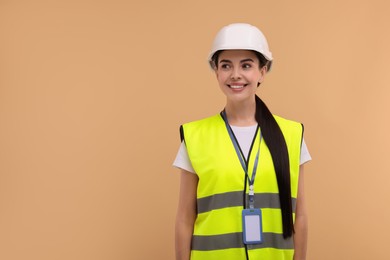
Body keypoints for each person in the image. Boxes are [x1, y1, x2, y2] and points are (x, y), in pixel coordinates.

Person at [173, 23, 311, 260]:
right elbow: (185, 218)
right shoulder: (195, 136)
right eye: (226, 65)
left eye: (246, 65)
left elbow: (301, 216)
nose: (235, 74)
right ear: (216, 71)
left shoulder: (291, 134)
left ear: (262, 72)